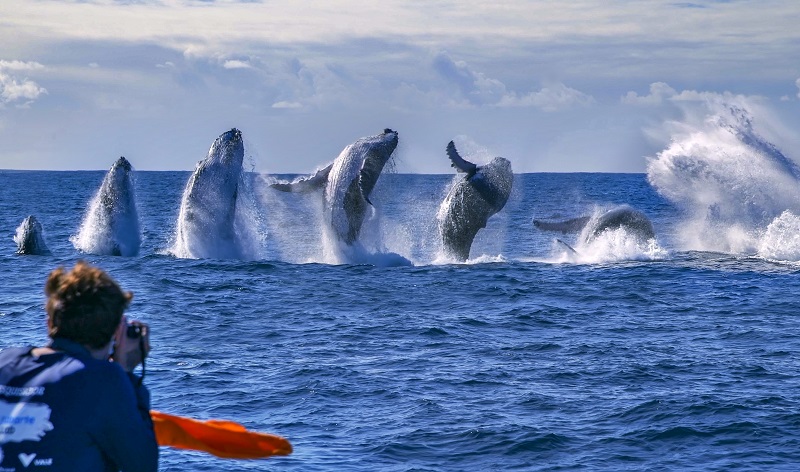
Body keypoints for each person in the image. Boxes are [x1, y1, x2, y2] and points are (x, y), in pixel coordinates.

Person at [0, 261, 158, 471]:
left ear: (49, 323)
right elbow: (142, 465)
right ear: (115, 333)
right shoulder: (104, 380)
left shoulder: (5, 361)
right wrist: (126, 372)